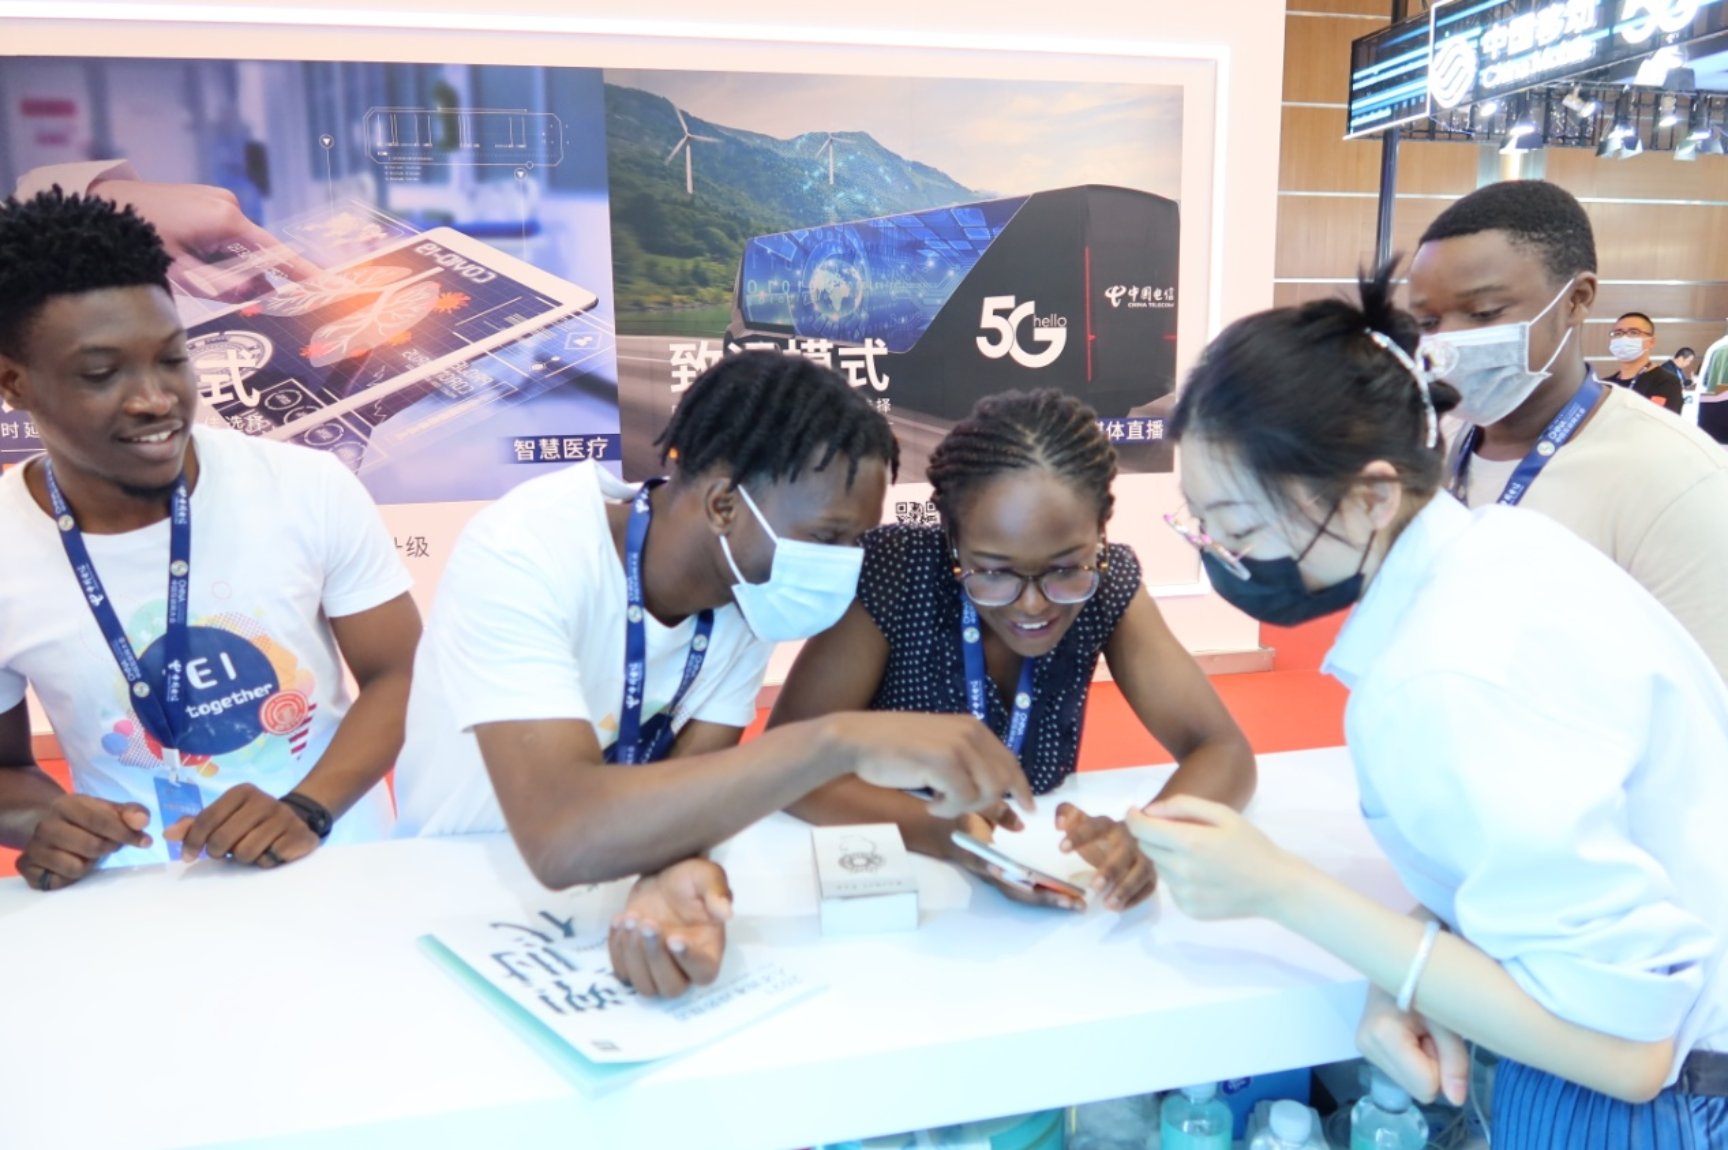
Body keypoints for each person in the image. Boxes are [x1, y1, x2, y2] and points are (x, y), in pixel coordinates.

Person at [1131, 265, 1727, 1148]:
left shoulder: (1443, 676)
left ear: (1374, 495)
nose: (1223, 555)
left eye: (1242, 529)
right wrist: (1411, 967)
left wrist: (1278, 888)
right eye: (1203, 526)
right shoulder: (1504, 550)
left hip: (1658, 1102)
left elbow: (1629, 1049)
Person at [394, 351, 1033, 998]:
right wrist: (840, 740)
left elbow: (692, 791)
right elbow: (560, 836)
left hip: (604, 901)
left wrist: (670, 877)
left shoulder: (748, 597)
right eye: (828, 537)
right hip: (450, 902)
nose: (847, 564)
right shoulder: (525, 553)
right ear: (725, 505)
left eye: (856, 542)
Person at [0, 188, 420, 891]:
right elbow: (6, 770)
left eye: (172, 359)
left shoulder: (307, 486)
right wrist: (46, 820)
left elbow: (400, 674)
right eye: (102, 374)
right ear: (14, 383)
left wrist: (307, 809)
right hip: (131, 905)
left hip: (337, 877)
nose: (155, 399)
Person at [769, 390, 1255, 913]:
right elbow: (787, 764)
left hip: (1032, 871)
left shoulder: (1107, 585)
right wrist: (943, 833)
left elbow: (1222, 749)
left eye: (1065, 568)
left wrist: (1148, 836)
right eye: (994, 572)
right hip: (884, 876)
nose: (1032, 604)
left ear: (1100, 534)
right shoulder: (895, 575)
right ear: (952, 543)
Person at [1405, 179, 1728, 681]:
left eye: (1484, 313)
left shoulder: (1679, 480)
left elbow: (1707, 706)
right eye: (1427, 322)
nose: (1447, 344)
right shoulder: (1435, 440)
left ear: (1576, 299)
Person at [1602, 312, 1683, 413]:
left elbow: (1660, 419)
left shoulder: (1666, 382)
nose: (1624, 338)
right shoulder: (1605, 385)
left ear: (1651, 342)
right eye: (1618, 333)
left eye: (1633, 332)